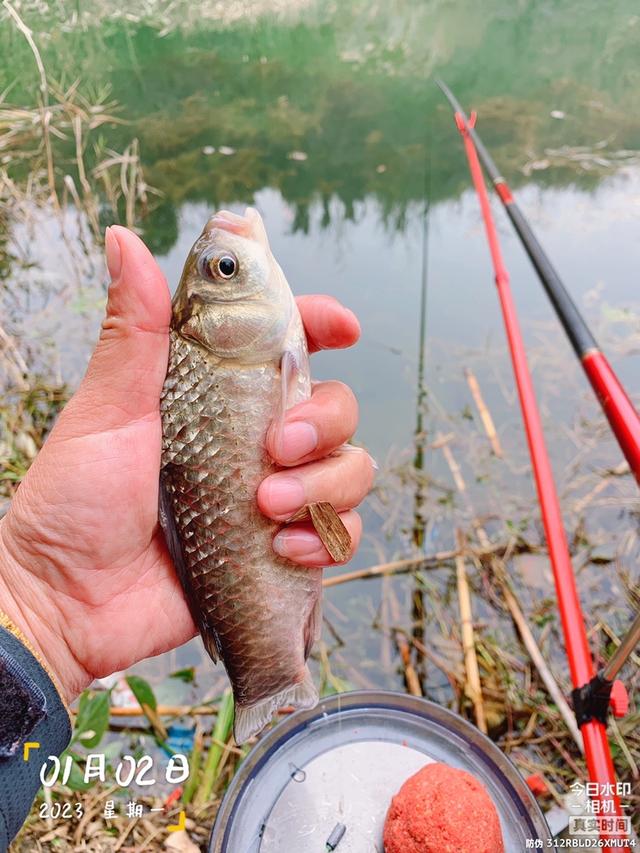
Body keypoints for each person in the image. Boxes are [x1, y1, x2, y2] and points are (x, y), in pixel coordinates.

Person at [0, 226, 372, 848]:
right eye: (225, 269)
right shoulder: (238, 345)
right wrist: (39, 611)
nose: (233, 257)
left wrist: (36, 613)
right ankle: (277, 694)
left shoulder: (250, 341)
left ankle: (275, 696)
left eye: (224, 268)